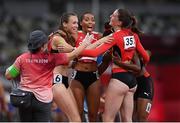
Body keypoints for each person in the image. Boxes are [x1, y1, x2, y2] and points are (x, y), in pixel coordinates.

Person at [5, 30, 92, 122]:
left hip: (25, 99)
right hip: (43, 100)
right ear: (42, 46)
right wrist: (85, 43)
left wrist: (9, 69)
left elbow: (9, 75)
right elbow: (73, 54)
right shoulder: (52, 58)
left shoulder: (22, 58)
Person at [80, 9, 150, 122]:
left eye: (114, 15)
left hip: (119, 80)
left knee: (107, 118)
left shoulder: (114, 37)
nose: (110, 16)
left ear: (119, 22)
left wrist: (74, 51)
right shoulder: (134, 36)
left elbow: (94, 53)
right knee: (127, 119)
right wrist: (135, 66)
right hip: (132, 83)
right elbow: (146, 57)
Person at [69, 12, 113, 121]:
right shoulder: (74, 35)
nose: (90, 22)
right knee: (78, 114)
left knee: (93, 115)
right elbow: (68, 56)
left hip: (93, 77)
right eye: (87, 19)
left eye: (92, 20)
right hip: (77, 76)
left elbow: (107, 58)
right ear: (81, 23)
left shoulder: (99, 36)